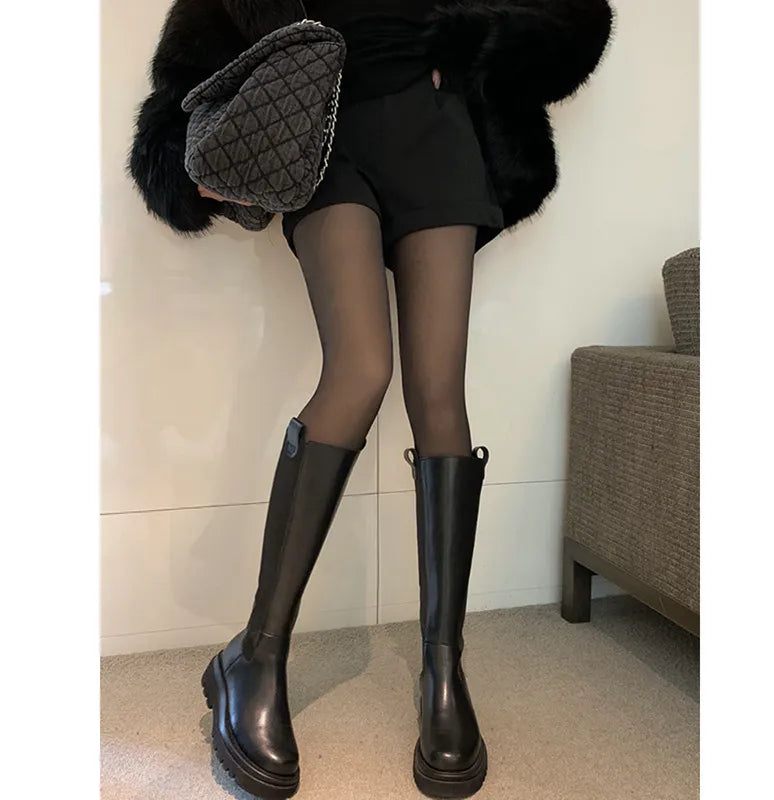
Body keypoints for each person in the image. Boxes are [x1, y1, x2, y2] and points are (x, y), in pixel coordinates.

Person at [128, 2, 613, 797]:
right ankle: (257, 653)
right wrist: (192, 145)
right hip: (320, 128)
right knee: (359, 372)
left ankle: (443, 670)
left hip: (435, 124)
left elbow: (573, 17)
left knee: (440, 392)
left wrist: (480, 48)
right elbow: (198, 46)